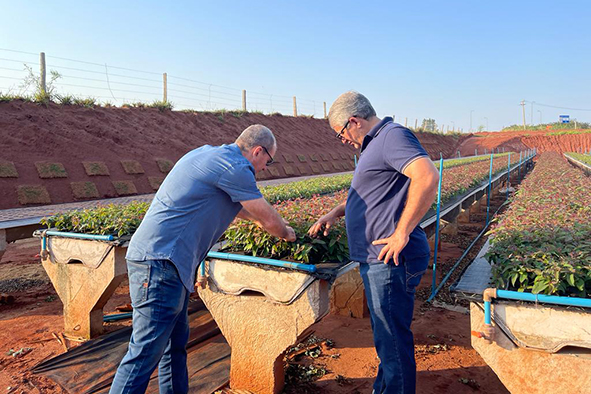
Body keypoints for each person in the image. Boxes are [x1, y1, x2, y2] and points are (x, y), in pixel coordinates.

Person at [110, 124, 296, 393]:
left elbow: (235, 204)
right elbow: (268, 217)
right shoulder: (237, 168)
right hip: (161, 264)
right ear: (258, 151)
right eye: (268, 161)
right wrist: (286, 232)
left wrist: (258, 220)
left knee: (173, 348)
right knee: (144, 354)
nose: (265, 168)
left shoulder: (208, 155)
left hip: (165, 263)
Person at [308, 92, 439, 394]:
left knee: (392, 342)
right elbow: (375, 194)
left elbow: (427, 176)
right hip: (378, 261)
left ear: (353, 121)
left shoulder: (391, 137)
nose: (343, 141)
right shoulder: (374, 146)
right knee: (386, 338)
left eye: (341, 134)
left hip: (389, 260)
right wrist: (337, 211)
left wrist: (401, 232)